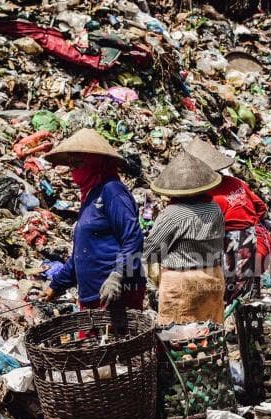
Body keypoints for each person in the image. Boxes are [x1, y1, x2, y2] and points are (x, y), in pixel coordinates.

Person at [43, 128, 145, 311]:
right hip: (92, 295)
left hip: (116, 293)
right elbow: (82, 252)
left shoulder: (112, 191)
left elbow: (133, 237)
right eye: (71, 164)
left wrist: (117, 276)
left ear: (96, 162)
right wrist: (56, 285)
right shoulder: (90, 196)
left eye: (78, 163)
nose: (74, 170)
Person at [183, 139, 271, 303]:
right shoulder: (236, 182)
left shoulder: (208, 196)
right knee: (245, 289)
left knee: (227, 293)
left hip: (235, 244)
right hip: (256, 238)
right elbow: (261, 208)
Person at [143, 151, 225, 325]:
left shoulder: (173, 214)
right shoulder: (215, 208)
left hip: (182, 283)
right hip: (213, 277)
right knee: (210, 333)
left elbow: (151, 248)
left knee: (178, 337)